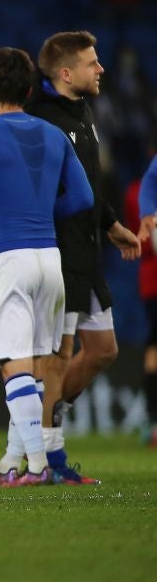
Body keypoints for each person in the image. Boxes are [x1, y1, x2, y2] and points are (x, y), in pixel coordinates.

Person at [0, 48, 94, 486]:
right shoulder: (53, 135)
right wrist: (44, 213)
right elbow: (85, 198)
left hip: (6, 258)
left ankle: (36, 468)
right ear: (31, 91)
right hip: (49, 260)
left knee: (14, 365)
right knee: (32, 367)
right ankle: (12, 462)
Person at [25, 31, 141, 483]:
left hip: (88, 252)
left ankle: (35, 422)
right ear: (67, 72)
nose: (101, 69)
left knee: (103, 350)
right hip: (60, 253)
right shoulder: (43, 120)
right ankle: (49, 455)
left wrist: (110, 225)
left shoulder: (82, 111)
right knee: (59, 356)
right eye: (93, 63)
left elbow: (88, 184)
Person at [134, 153, 157, 446]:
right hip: (153, 279)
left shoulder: (139, 189)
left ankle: (153, 420)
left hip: (150, 279)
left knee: (153, 348)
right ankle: (153, 420)